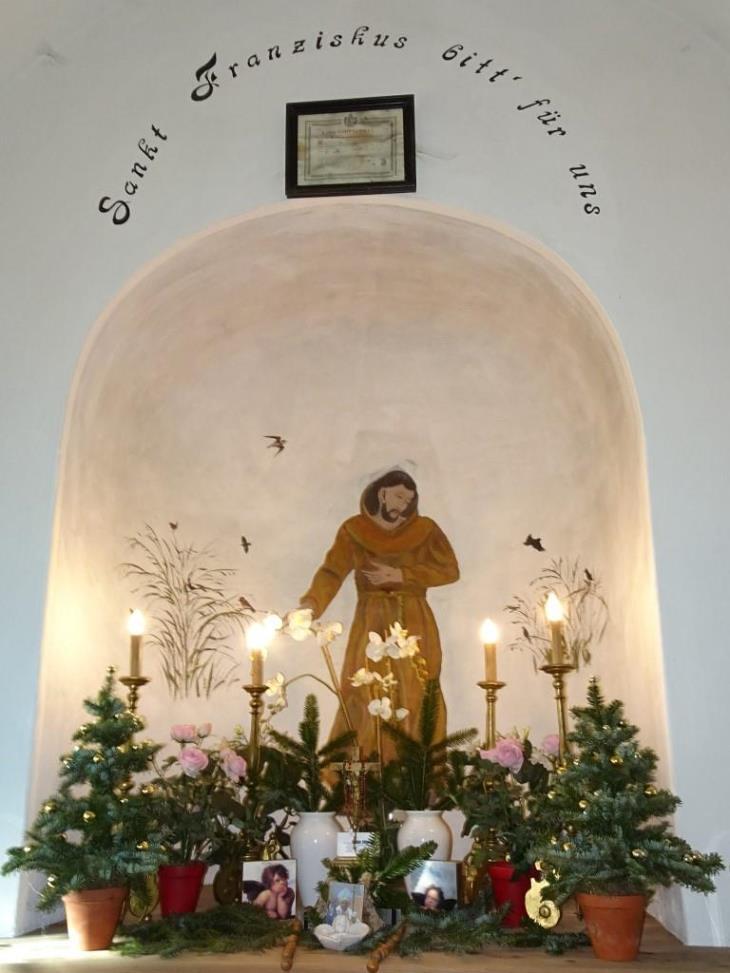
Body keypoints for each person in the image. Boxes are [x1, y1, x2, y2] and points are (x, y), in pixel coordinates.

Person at [299, 470, 459, 762]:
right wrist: (311, 605)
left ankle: (419, 774)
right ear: (382, 493)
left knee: (418, 693)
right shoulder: (355, 530)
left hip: (415, 622)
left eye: (408, 500)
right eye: (398, 496)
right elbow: (332, 571)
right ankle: (362, 773)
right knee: (364, 691)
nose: (403, 505)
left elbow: (449, 570)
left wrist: (402, 575)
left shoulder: (425, 529)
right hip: (371, 622)